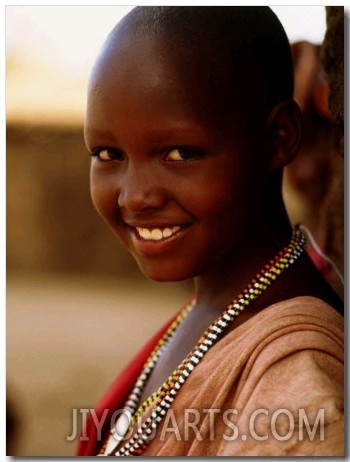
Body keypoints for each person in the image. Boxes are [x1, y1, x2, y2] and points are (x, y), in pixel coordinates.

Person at [78, 7, 343, 456]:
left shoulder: (297, 385)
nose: (134, 196)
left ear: (278, 137)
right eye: (107, 153)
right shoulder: (212, 307)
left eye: (181, 153)